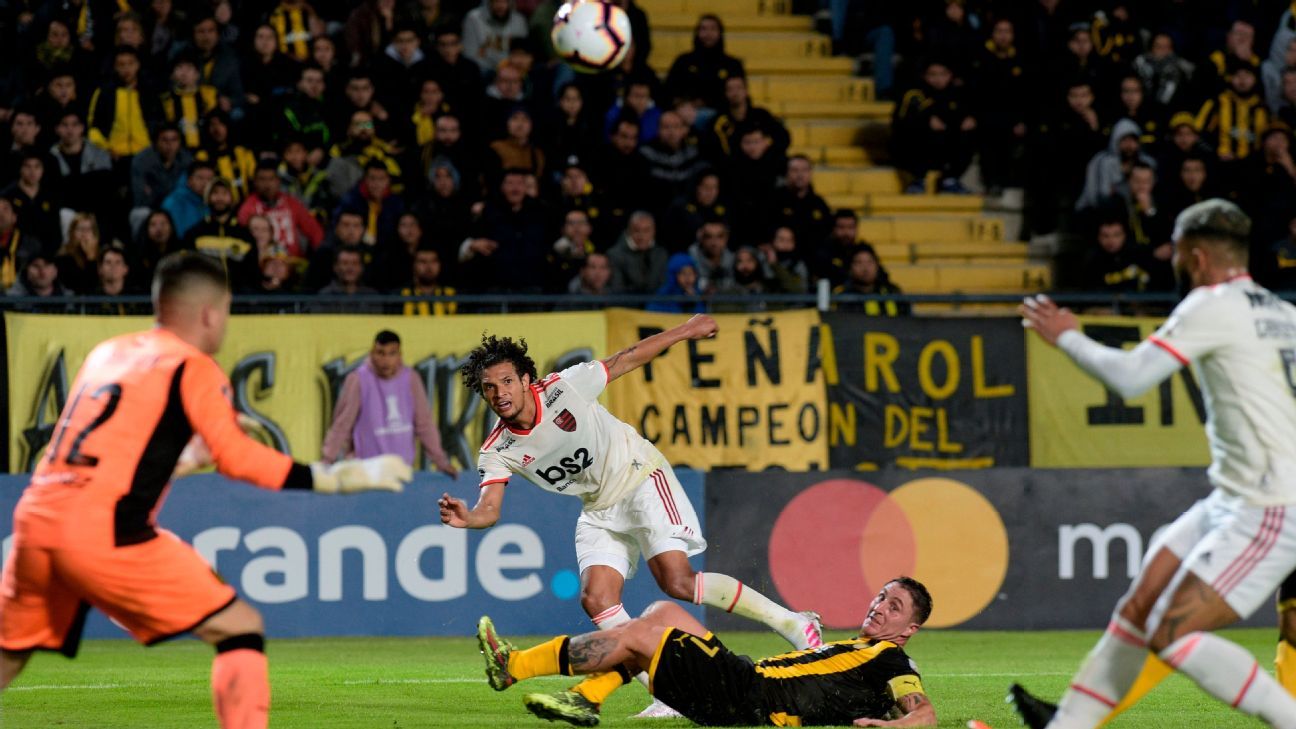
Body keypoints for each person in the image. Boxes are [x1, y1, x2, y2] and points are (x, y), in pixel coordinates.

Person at [0, 252, 410, 727]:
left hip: (35, 522)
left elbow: (90, 458)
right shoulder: (192, 366)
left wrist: (181, 462)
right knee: (240, 628)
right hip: (104, 532)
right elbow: (236, 457)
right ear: (211, 313)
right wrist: (330, 478)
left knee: (9, 655)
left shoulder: (107, 353)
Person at [439, 323, 823, 718]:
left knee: (677, 582)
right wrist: (468, 518)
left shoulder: (564, 388)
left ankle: (794, 623)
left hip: (639, 476)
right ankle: (666, 692)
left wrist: (686, 330)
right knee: (596, 598)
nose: (499, 393)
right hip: (598, 507)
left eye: (507, 381)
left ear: (525, 379)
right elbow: (489, 507)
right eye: (489, 387)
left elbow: (629, 357)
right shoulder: (497, 449)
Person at [1009, 199, 1296, 729]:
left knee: (1172, 633)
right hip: (1234, 497)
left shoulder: (1211, 303)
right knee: (1139, 607)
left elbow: (1131, 378)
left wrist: (1066, 335)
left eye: (1180, 255)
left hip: (1270, 506)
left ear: (1196, 255)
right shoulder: (1284, 314)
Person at [474, 576, 935, 727]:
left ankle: (512, 668)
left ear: (909, 629)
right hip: (744, 681)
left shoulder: (891, 658)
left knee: (639, 636)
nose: (879, 607)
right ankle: (587, 696)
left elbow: (924, 713)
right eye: (880, 597)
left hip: (751, 699)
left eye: (893, 607)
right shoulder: (861, 648)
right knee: (661, 613)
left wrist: (895, 722)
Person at [323, 330, 458, 474]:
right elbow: (342, 424)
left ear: (399, 356)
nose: (385, 360)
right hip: (366, 473)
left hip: (402, 472)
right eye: (380, 353)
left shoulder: (411, 379)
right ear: (372, 353)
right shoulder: (358, 380)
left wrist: (441, 462)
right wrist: (326, 461)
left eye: (392, 353)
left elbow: (424, 425)